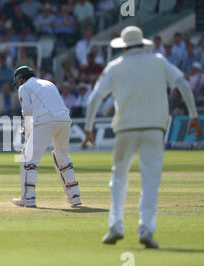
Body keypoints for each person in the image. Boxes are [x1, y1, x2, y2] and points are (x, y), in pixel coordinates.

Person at [82, 26, 202, 249]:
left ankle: (116, 226)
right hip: (154, 129)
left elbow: (95, 98)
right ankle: (146, 228)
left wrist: (88, 128)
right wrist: (193, 115)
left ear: (124, 46)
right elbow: (184, 84)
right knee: (150, 182)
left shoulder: (115, 67)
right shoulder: (158, 61)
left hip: (126, 129)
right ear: (142, 44)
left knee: (118, 179)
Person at [11, 66, 82, 208]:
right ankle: (74, 196)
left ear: (21, 79)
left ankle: (28, 198)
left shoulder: (24, 87)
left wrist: (27, 132)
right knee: (61, 156)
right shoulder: (49, 83)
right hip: (64, 119)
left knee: (28, 157)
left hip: (45, 119)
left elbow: (27, 112)